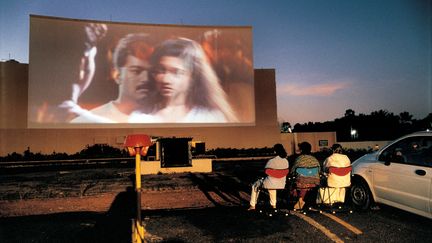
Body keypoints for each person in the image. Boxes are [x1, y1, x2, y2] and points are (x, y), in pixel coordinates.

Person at [60, 23, 157, 123]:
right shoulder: (92, 119)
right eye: (136, 71)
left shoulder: (161, 117)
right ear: (117, 74)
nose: (146, 79)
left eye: (152, 72)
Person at [129, 37, 237, 123]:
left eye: (176, 72)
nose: (166, 79)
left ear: (193, 77)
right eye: (161, 70)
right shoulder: (139, 117)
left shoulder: (211, 117)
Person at [248, 144, 289, 211]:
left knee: (255, 185)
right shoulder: (286, 161)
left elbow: (266, 172)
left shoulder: (271, 161)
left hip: (271, 183)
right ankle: (273, 205)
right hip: (281, 183)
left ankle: (252, 205)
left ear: (275, 151)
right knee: (272, 185)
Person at [290, 141, 320, 210]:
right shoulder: (314, 159)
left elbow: (293, 171)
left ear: (301, 150)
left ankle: (300, 198)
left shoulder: (299, 159)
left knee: (295, 181)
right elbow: (319, 170)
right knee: (309, 181)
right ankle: (305, 201)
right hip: (314, 183)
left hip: (301, 182)